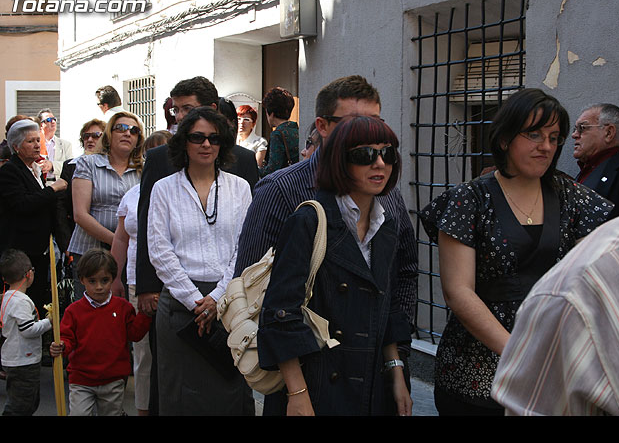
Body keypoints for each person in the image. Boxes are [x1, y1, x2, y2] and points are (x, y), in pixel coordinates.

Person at [418, 88, 614, 416]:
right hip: (478, 371)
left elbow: (590, 279)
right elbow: (458, 293)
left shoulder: (573, 197)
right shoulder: (469, 200)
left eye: (554, 137)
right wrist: (521, 354)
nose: (547, 146)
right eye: (534, 134)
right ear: (506, 138)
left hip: (554, 364)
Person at [234, 75, 418, 416]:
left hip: (371, 373)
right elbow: (259, 291)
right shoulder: (289, 198)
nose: (378, 162)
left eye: (386, 151)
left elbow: (399, 283)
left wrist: (396, 365)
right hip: (313, 377)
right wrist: (296, 390)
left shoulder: (386, 209)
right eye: (364, 150)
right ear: (327, 132)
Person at [135, 76, 258, 414]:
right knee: (179, 398)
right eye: (197, 137)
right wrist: (195, 301)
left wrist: (216, 299)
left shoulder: (240, 188)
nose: (206, 145)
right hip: (179, 307)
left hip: (229, 303)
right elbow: (159, 251)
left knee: (231, 395)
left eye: (214, 138)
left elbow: (243, 248)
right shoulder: (163, 188)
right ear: (184, 142)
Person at [492, 205, 619, 416]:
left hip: (547, 341)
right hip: (520, 341)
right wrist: (518, 350)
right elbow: (457, 291)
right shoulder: (576, 292)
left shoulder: (578, 200)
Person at [110, 130, 171, 416]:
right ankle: (143, 409)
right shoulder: (132, 194)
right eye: (151, 153)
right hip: (137, 282)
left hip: (173, 282)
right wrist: (115, 278)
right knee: (143, 353)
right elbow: (121, 239)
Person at [49, 248, 151, 416]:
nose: (99, 287)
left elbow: (134, 334)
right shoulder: (73, 311)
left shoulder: (123, 307)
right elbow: (67, 338)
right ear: (82, 280)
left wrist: (145, 314)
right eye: (92, 281)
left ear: (112, 278)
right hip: (81, 379)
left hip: (113, 378)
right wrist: (60, 346)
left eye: (105, 280)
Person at [66, 111, 144, 300]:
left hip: (130, 256)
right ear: (109, 134)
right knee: (89, 315)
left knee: (123, 311)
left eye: (134, 131)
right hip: (90, 251)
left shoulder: (144, 168)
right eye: (121, 128)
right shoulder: (88, 163)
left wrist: (125, 245)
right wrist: (118, 241)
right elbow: (80, 214)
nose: (127, 133)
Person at [0, 120, 68, 318]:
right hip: (20, 252)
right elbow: (23, 204)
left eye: (38, 140)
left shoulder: (35, 170)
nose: (37, 145)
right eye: (30, 141)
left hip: (40, 251)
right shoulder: (9, 172)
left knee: (37, 301)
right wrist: (53, 189)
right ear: (16, 147)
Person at [0, 249, 52, 416]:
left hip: (15, 358)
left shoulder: (8, 297)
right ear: (29, 274)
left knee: (26, 401)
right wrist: (48, 322)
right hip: (23, 360)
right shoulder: (21, 301)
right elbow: (28, 330)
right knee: (20, 405)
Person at [572, 103, 619, 219]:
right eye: (575, 129)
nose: (574, 135)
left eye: (582, 128)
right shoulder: (585, 171)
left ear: (609, 133)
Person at [57, 118, 106, 255]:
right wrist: (66, 242)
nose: (90, 140)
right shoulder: (71, 166)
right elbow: (61, 207)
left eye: (96, 136)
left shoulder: (114, 166)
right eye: (86, 136)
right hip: (79, 239)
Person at [259, 87, 299, 176]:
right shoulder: (296, 129)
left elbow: (272, 169)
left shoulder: (277, 134)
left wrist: (255, 169)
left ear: (271, 114)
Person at [36, 108, 73, 181]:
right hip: (40, 184)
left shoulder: (65, 144)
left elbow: (70, 166)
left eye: (54, 119)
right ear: (41, 124)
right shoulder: (36, 144)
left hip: (59, 185)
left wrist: (52, 165)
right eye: (49, 120)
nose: (53, 122)